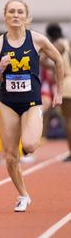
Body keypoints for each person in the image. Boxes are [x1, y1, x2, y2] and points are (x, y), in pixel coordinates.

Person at [0, 0, 63, 212]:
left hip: (31, 102)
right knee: (10, 156)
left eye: (20, 11)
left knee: (29, 145)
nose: (15, 15)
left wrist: (58, 91)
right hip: (8, 103)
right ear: (5, 16)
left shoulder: (37, 40)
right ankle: (23, 194)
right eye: (11, 11)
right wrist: (0, 69)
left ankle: (32, 133)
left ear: (26, 16)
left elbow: (58, 60)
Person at [46, 23, 71, 162]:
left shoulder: (58, 45)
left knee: (68, 120)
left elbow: (43, 60)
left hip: (67, 82)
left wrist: (56, 67)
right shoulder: (68, 42)